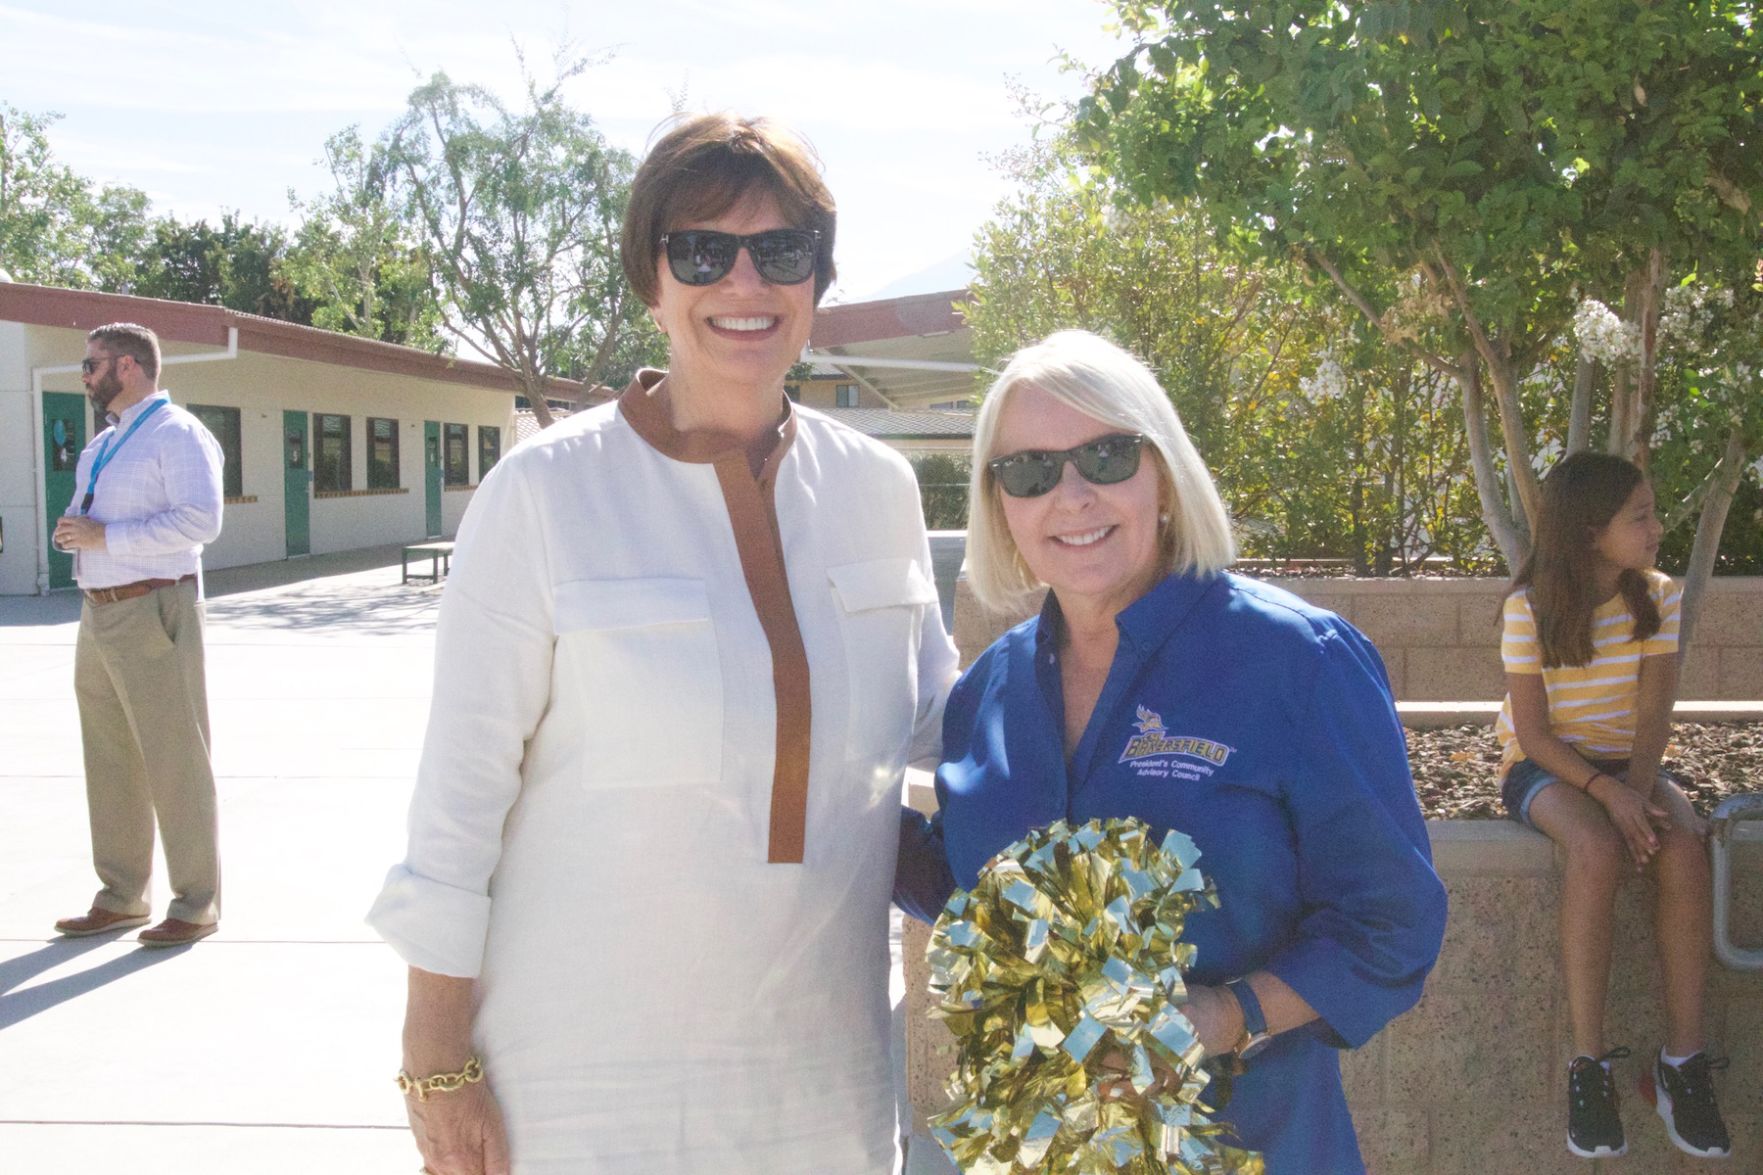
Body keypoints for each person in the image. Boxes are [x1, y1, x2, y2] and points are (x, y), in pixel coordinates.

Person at [367, 112, 957, 1175]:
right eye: (702, 251)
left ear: (818, 279)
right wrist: (434, 1058)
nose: (745, 281)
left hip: (822, 1087)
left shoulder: (878, 491)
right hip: (580, 1085)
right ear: (651, 277)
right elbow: (457, 801)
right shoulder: (543, 494)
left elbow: (946, 731)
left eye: (781, 250)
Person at [902, 330, 1447, 1173]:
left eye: (1106, 456)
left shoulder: (1297, 659)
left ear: (1162, 474)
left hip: (1257, 1145)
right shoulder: (988, 691)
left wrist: (1226, 1015)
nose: (1071, 496)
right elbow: (969, 890)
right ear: (999, 504)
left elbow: (1391, 920)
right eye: (1030, 471)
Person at [1494, 450, 1730, 1161]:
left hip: (1631, 762)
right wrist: (1608, 797)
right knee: (1595, 849)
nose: (1657, 529)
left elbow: (1654, 715)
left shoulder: (1657, 595)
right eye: (1641, 517)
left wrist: (1638, 790)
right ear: (1590, 532)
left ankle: (1680, 1062)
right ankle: (1588, 1065)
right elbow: (1534, 734)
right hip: (1545, 764)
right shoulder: (1527, 608)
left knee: (1682, 847)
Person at [52, 322, 225, 948]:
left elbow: (201, 521)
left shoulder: (177, 432)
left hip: (154, 606)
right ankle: (122, 895)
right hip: (99, 611)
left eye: (91, 364)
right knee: (110, 759)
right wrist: (78, 534)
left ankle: (197, 903)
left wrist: (106, 537)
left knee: (176, 759)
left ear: (127, 366)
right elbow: (105, 522)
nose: (84, 375)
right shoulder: (105, 443)